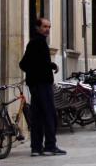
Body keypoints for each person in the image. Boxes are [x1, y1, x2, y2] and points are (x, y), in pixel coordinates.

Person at [19, 18, 66, 156]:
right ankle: (50, 146)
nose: (47, 29)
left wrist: (49, 66)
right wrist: (40, 71)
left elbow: (29, 63)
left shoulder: (35, 43)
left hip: (35, 85)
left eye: (49, 27)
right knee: (49, 115)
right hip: (42, 85)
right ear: (37, 27)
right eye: (45, 27)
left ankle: (36, 147)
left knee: (37, 116)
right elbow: (26, 64)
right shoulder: (38, 42)